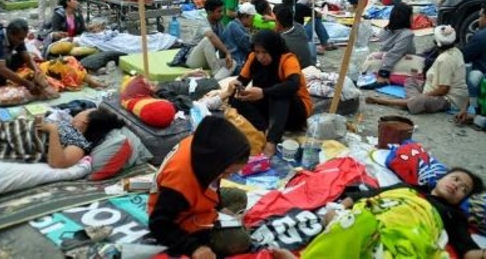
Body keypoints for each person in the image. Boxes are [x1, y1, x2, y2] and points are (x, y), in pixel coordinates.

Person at [303, 168, 486, 259]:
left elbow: (471, 253)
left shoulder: (453, 215)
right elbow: (365, 195)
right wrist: (338, 210)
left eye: (463, 189)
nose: (457, 185)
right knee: (355, 221)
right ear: (440, 178)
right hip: (371, 223)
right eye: (456, 178)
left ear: (462, 200)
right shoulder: (407, 188)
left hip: (407, 239)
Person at [148, 116, 251, 258]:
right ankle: (207, 236)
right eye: (226, 172)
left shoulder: (203, 147)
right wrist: (194, 248)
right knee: (240, 241)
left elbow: (214, 186)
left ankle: (222, 222)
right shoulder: (179, 184)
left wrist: (220, 208)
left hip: (196, 199)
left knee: (238, 196)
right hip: (180, 218)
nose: (227, 177)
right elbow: (158, 225)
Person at [229, 30, 313, 157]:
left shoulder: (287, 59)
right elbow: (242, 80)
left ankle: (271, 142)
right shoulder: (253, 58)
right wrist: (236, 86)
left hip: (294, 111)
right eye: (257, 52)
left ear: (273, 49)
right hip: (269, 110)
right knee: (236, 99)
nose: (260, 57)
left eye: (264, 52)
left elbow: (293, 84)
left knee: (279, 93)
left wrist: (264, 92)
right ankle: (265, 129)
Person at [366, 25, 467, 114]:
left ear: (437, 43)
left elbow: (443, 89)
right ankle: (412, 102)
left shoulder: (445, 59)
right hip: (433, 87)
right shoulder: (455, 51)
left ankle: (384, 102)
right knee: (410, 81)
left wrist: (424, 95)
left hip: (447, 99)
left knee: (420, 100)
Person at [35, 107, 124, 169]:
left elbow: (57, 163)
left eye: (84, 111)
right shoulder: (70, 127)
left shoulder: (79, 144)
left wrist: (53, 131)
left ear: (86, 120)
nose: (80, 112)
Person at [362, 3, 416, 87]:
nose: (413, 18)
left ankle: (371, 74)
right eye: (412, 15)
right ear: (406, 18)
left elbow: (386, 51)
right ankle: (385, 78)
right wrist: (384, 74)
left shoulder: (384, 30)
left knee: (377, 55)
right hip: (393, 63)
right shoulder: (407, 34)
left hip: (385, 61)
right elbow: (394, 53)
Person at [456, 42, 486, 135]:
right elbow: (474, 88)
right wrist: (464, 109)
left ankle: (476, 119)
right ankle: (473, 112)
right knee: (475, 75)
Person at [185, 0, 235, 80]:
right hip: (194, 60)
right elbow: (211, 36)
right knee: (207, 40)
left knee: (233, 63)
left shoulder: (219, 24)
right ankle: (216, 71)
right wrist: (227, 52)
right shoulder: (202, 21)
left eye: (222, 11)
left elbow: (223, 41)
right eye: (219, 11)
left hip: (209, 60)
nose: (222, 14)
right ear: (209, 12)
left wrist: (228, 56)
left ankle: (216, 80)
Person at [274, 4, 312, 69]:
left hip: (296, 71)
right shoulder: (300, 27)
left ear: (278, 23)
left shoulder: (281, 41)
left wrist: (276, 30)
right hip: (308, 66)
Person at [222, 3, 255, 72]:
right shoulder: (235, 27)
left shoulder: (234, 24)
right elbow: (248, 47)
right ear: (245, 16)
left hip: (236, 61)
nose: (253, 21)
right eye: (252, 18)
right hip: (237, 64)